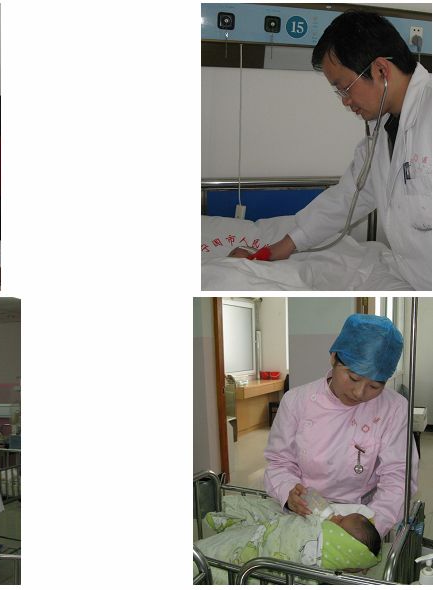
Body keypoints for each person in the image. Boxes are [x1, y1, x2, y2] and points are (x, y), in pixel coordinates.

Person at [230, 11, 431, 291]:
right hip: (411, 277)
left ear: (381, 70)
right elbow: (346, 198)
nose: (345, 101)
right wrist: (279, 248)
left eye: (345, 88)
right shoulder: (381, 133)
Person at [264, 314, 419, 539]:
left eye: (374, 386)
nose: (359, 393)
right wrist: (289, 493)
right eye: (353, 378)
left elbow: (398, 478)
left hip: (362, 516)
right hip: (304, 511)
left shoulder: (394, 408)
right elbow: (279, 462)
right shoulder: (296, 401)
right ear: (334, 358)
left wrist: (369, 530)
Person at [198, 493, 381, 574]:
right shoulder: (317, 525)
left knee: (215, 555)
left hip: (254, 553)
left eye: (341, 521)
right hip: (265, 530)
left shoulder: (319, 546)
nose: (338, 515)